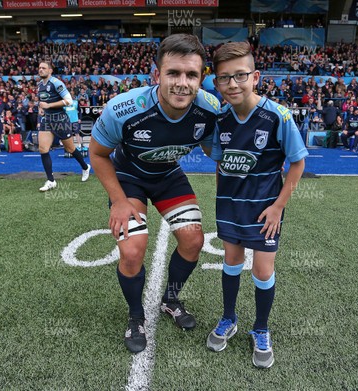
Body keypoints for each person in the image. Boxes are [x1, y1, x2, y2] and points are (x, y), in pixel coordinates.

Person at [89, 34, 220, 354]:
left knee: (193, 240)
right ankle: (136, 317)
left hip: (168, 176)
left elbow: (217, 156)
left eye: (191, 75)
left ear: (202, 77)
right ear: (156, 75)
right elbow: (97, 154)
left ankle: (170, 298)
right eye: (173, 73)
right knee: (132, 250)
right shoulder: (123, 108)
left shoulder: (209, 109)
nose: (182, 83)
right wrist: (118, 200)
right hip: (129, 178)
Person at [206, 41, 307, 369]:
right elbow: (220, 164)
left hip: (265, 210)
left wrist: (279, 207)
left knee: (262, 270)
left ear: (256, 77)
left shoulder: (277, 116)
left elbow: (297, 163)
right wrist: (222, 200)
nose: (232, 84)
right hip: (230, 207)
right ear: (217, 82)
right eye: (224, 78)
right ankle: (228, 318)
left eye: (240, 76)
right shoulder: (221, 118)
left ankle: (261, 328)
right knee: (231, 261)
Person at [37, 61, 91, 192]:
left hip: (60, 120)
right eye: (39, 68)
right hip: (47, 120)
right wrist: (41, 107)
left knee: (70, 148)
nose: (40, 70)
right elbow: (43, 100)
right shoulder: (39, 85)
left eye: (44, 68)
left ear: (50, 70)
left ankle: (85, 167)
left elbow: (69, 100)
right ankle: (51, 180)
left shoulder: (56, 83)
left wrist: (49, 106)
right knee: (43, 149)